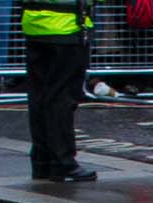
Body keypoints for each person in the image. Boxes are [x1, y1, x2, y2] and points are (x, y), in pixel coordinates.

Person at [23, 0, 95, 182]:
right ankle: (62, 162)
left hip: (35, 25)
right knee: (62, 98)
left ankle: (42, 162)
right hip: (66, 28)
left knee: (39, 96)